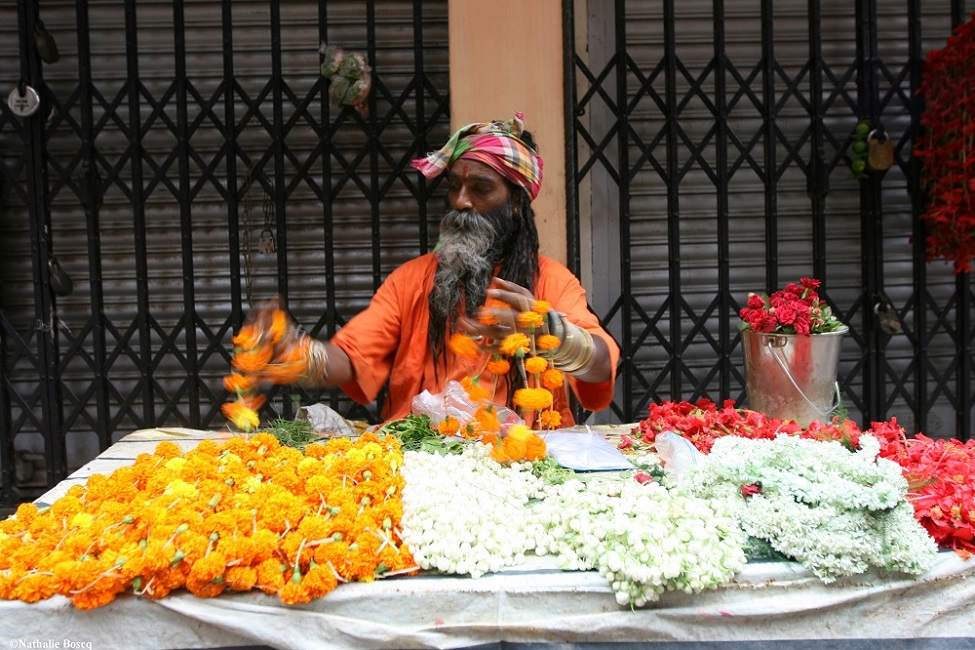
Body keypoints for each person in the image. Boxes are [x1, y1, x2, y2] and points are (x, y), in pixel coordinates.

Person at [255, 113, 619, 425]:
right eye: (455, 186)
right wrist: (299, 353)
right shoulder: (411, 280)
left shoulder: (551, 281)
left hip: (524, 462)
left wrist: (550, 331)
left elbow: (601, 365)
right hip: (423, 457)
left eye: (480, 188)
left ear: (514, 205)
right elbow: (352, 357)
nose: (461, 201)